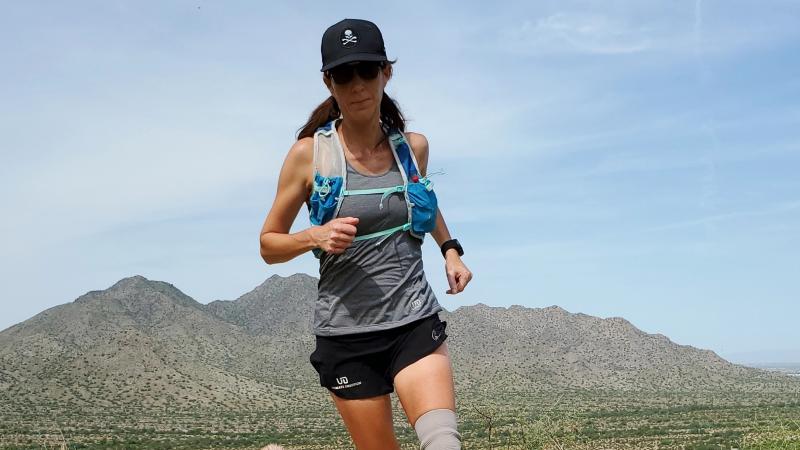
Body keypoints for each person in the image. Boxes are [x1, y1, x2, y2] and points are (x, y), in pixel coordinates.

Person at [259, 18, 473, 450]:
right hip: (347, 337)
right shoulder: (309, 156)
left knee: (443, 443)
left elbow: (423, 202)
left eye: (367, 71)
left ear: (385, 73)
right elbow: (268, 244)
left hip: (413, 321)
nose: (357, 85)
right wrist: (313, 237)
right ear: (329, 82)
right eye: (343, 74)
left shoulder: (412, 149)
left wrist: (450, 250)